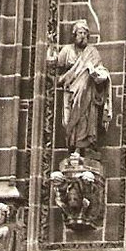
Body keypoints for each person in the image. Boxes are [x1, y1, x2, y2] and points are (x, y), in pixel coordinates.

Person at [47, 20, 112, 156]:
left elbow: (100, 70)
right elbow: (55, 66)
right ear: (74, 35)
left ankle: (86, 145)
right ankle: (74, 144)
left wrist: (98, 75)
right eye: (79, 33)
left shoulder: (92, 52)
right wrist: (51, 52)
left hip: (88, 93)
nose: (82, 36)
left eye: (84, 33)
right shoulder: (67, 51)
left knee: (87, 117)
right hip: (72, 91)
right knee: (73, 118)